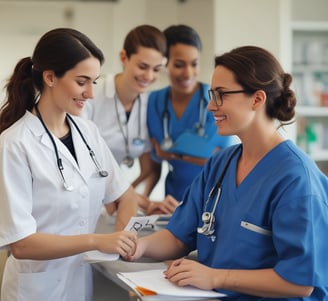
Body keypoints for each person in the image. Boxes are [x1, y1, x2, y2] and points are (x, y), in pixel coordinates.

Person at [126, 46, 328, 300]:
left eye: (221, 95)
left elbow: (299, 282)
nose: (211, 106)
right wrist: (137, 245)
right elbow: (179, 236)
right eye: (212, 95)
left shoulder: (296, 179)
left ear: (257, 99)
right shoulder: (219, 164)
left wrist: (215, 277)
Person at [0, 28, 139, 301]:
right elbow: (23, 244)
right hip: (35, 291)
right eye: (81, 82)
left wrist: (121, 238)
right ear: (50, 77)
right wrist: (97, 240)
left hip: (80, 283)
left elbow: (126, 195)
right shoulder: (15, 144)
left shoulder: (88, 133)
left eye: (94, 82)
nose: (90, 94)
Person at [82, 24, 179, 215]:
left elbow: (150, 168)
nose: (149, 76)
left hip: (115, 204)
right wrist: (134, 200)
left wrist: (140, 201)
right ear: (124, 57)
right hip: (84, 198)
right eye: (143, 66)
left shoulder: (150, 104)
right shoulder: (93, 94)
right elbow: (87, 165)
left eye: (157, 69)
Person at [147, 24, 234, 202]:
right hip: (172, 199)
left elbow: (219, 158)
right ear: (165, 63)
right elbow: (153, 160)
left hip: (215, 197)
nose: (188, 73)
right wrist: (141, 203)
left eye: (194, 64)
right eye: (179, 65)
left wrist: (170, 154)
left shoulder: (216, 100)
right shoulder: (153, 102)